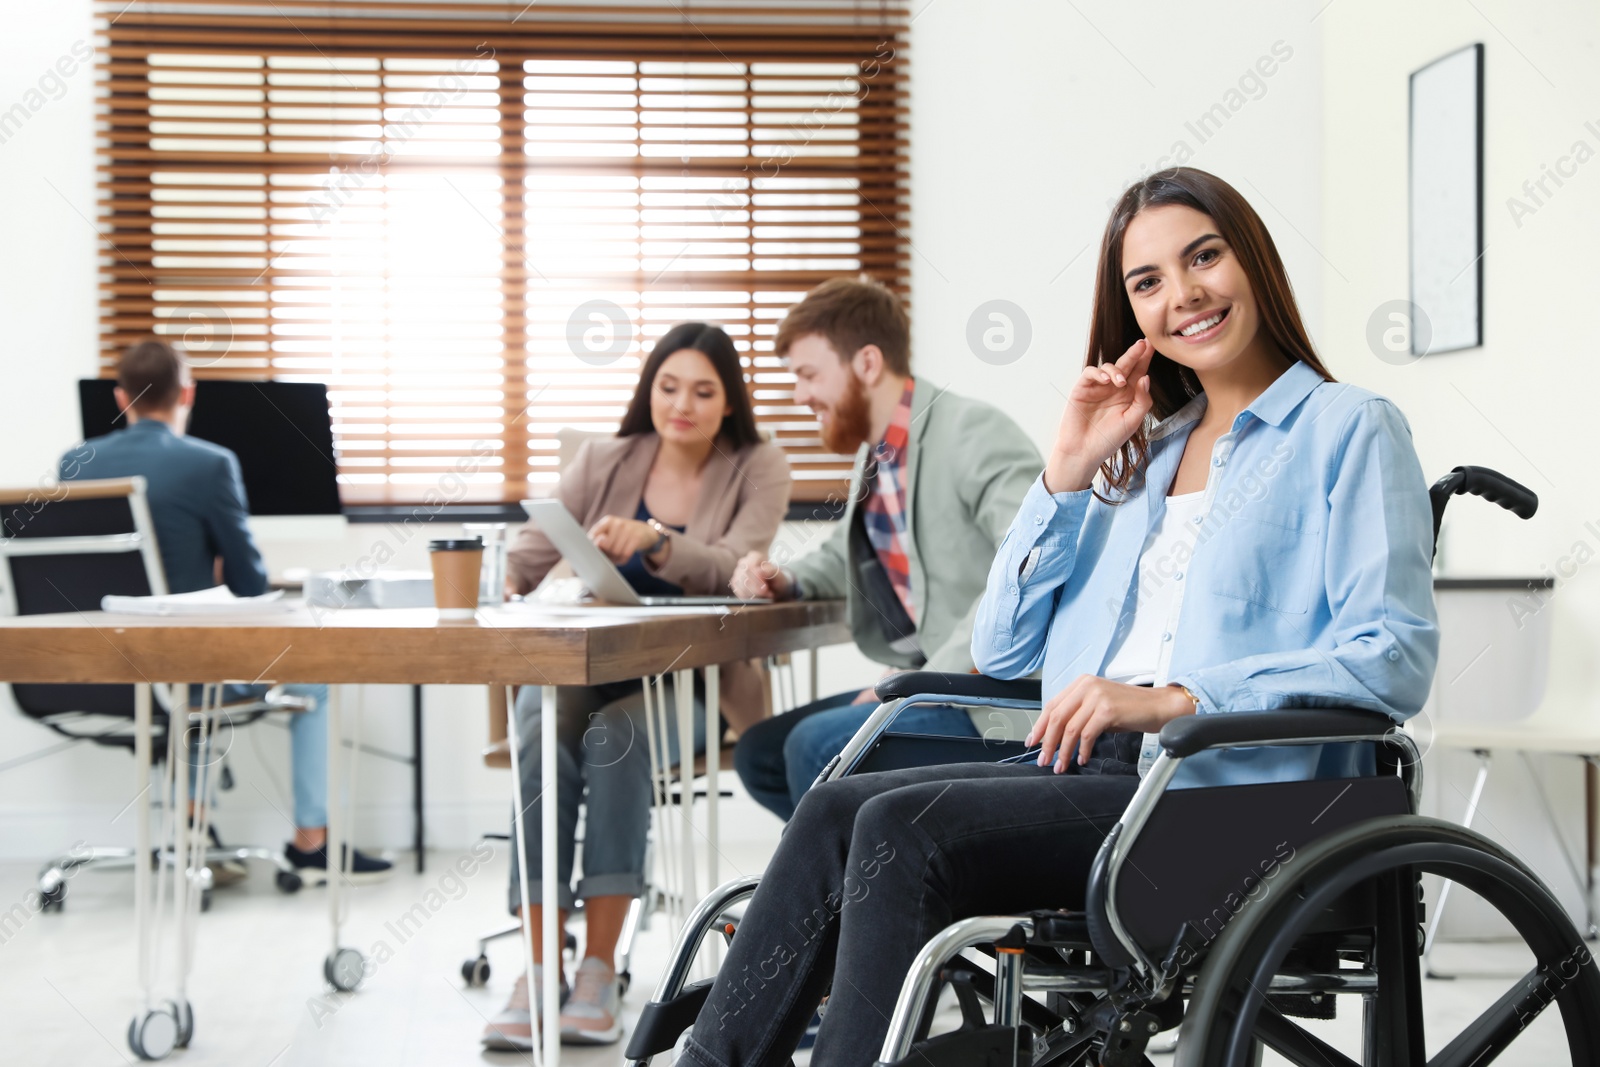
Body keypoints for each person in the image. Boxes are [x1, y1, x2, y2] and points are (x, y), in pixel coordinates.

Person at [669, 167, 1440, 1067]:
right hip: (1092, 774)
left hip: (1232, 797)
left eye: (1204, 257)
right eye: (1146, 281)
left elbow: (1392, 657)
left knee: (899, 830)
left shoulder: (1349, 429)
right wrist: (1067, 471)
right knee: (841, 808)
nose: (1181, 295)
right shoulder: (1141, 453)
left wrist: (1175, 697)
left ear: (1254, 260)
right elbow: (1005, 648)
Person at [481, 322, 791, 1050]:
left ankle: (598, 967)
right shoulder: (605, 459)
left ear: (729, 401)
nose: (682, 403)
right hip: (584, 673)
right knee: (538, 714)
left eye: (703, 391)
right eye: (668, 385)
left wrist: (655, 540)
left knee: (615, 735)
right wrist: (505, 580)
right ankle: (536, 966)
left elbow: (735, 569)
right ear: (649, 389)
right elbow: (525, 558)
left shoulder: (758, 463)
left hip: (691, 686)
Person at [59, 339, 392, 886]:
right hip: (183, 670)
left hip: (100, 671)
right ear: (187, 393)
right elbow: (249, 583)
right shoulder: (211, 463)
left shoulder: (75, 462)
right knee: (311, 682)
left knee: (188, 683)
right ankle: (312, 842)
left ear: (121, 397)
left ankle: (195, 832)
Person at [729, 277, 1043, 819]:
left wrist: (914, 686)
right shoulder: (876, 453)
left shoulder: (971, 431)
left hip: (988, 699)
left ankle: (847, 897)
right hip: (929, 684)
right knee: (759, 753)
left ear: (867, 363)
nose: (799, 395)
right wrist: (786, 577)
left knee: (814, 746)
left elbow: (1030, 563)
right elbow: (851, 552)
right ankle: (878, 874)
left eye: (808, 375)